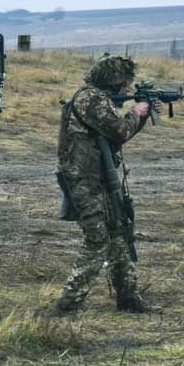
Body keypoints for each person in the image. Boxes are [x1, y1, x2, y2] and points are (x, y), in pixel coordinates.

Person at [54, 55, 161, 314]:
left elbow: (114, 137)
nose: (127, 87)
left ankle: (128, 299)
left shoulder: (94, 98)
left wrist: (141, 115)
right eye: (124, 82)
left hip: (97, 176)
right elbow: (119, 132)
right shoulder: (91, 99)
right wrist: (137, 112)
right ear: (114, 80)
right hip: (85, 178)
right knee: (98, 239)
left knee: (119, 233)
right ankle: (67, 305)